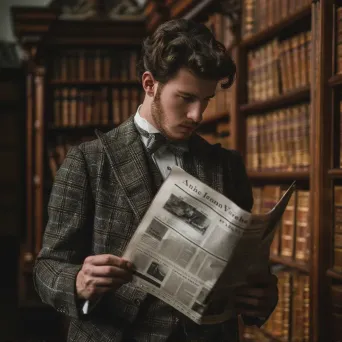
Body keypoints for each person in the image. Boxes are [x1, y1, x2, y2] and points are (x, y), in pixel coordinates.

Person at [33, 18, 278, 341]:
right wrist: (77, 281)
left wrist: (263, 298)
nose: (197, 115)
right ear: (150, 84)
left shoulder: (227, 166)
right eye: (186, 98)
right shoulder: (87, 161)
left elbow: (249, 269)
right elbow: (47, 267)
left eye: (206, 100)